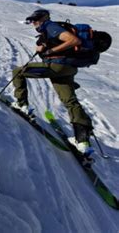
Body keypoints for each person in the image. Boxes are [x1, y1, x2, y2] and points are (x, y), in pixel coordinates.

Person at [12, 9, 93, 154]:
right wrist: (44, 46)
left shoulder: (51, 26)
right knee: (70, 100)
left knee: (18, 72)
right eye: (32, 20)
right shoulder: (46, 32)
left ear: (45, 17)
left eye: (36, 19)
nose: (34, 22)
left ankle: (21, 104)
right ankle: (82, 141)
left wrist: (50, 51)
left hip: (58, 66)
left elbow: (74, 40)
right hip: (67, 68)